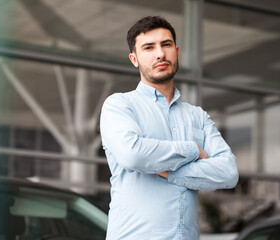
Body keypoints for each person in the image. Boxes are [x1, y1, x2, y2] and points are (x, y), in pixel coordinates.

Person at [100, 16, 239, 240]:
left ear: (177, 51)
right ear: (134, 59)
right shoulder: (120, 105)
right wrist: (193, 150)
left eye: (166, 45)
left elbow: (229, 173)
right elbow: (133, 155)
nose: (160, 54)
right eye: (149, 47)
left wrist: (166, 169)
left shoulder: (197, 116)